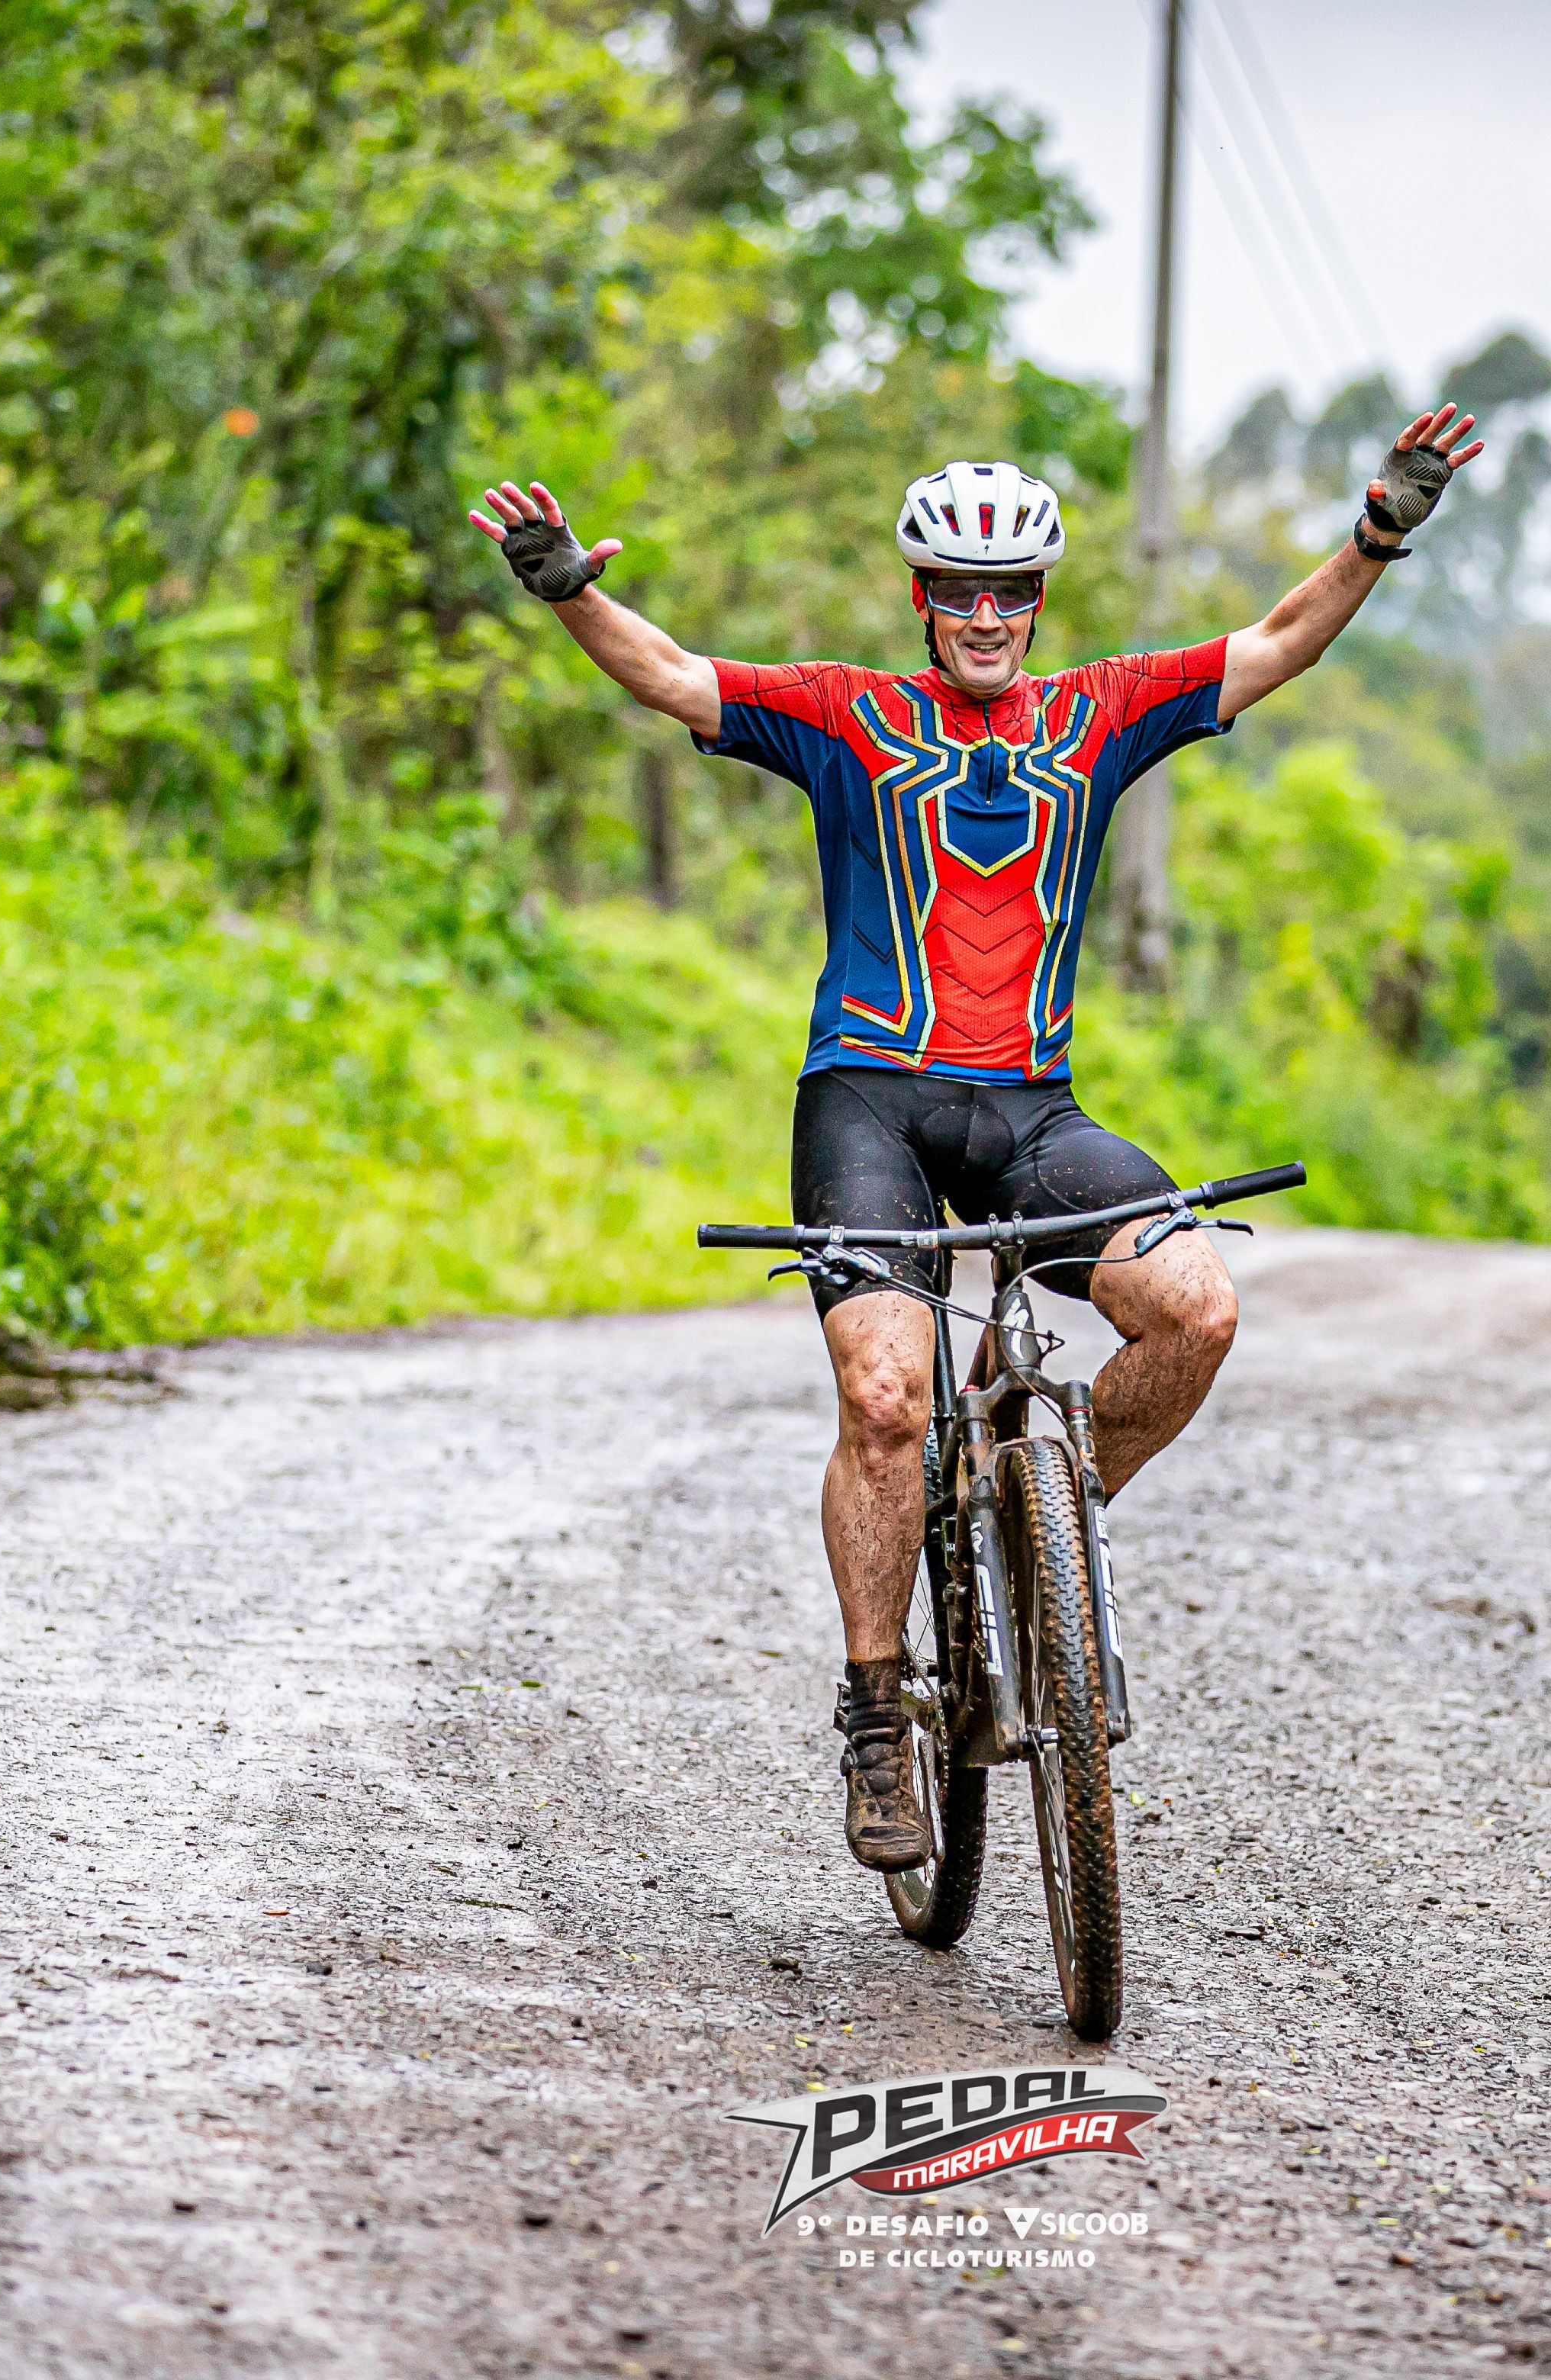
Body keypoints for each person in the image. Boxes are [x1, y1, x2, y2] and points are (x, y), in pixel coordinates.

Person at [466, 411, 1483, 1870]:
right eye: (959, 589)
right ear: (922, 596)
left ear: (1040, 600)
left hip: (1029, 1113)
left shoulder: (1104, 712)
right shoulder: (843, 715)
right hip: (867, 1100)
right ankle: (880, 1711)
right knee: (886, 1400)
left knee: (1199, 1307)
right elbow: (674, 673)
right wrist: (567, 586)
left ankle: (1040, 1527)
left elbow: (1275, 643)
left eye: (1009, 591)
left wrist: (1379, 533)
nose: (986, 615)